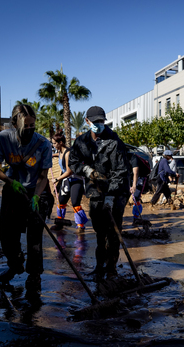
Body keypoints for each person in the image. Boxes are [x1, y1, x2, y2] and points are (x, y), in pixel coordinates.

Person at [0, 104, 53, 289]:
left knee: (34, 239)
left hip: (36, 191)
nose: (30, 130)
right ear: (15, 124)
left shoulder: (43, 144)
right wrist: (10, 182)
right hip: (12, 190)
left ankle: (34, 276)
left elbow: (43, 176)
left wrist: (37, 197)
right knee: (8, 236)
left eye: (33, 126)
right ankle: (15, 266)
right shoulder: (4, 138)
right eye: (27, 127)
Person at [69, 106, 130, 280]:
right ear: (87, 122)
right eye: (95, 122)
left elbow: (120, 171)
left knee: (113, 231)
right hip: (95, 190)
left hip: (117, 191)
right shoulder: (81, 142)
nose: (99, 124)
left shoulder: (114, 140)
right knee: (99, 231)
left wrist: (111, 196)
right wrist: (86, 170)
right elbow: (73, 162)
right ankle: (99, 266)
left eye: (101, 121)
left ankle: (111, 269)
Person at [50, 133, 88, 233]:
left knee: (75, 203)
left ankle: (80, 225)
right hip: (67, 181)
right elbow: (59, 155)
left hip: (76, 180)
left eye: (54, 143)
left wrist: (57, 179)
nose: (53, 145)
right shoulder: (61, 152)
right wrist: (51, 155)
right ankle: (60, 223)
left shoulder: (68, 153)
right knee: (61, 202)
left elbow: (69, 171)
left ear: (60, 143)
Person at [129, 151, 151, 225]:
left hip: (140, 177)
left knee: (136, 197)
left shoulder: (133, 158)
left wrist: (134, 186)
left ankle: (136, 218)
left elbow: (136, 173)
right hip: (131, 177)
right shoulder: (120, 159)